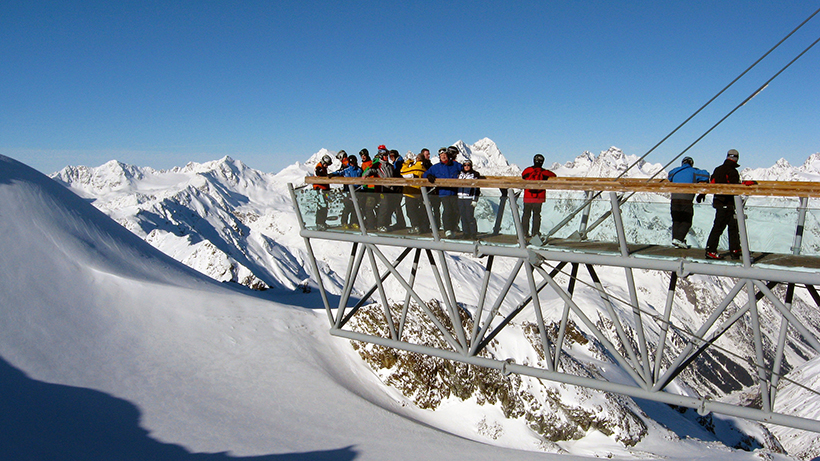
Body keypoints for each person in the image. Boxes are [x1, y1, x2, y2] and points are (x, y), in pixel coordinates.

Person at [700, 149, 756, 259]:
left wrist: (703, 193)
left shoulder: (718, 169)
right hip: (728, 202)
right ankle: (713, 250)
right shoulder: (732, 171)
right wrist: (746, 184)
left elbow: (712, 183)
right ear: (736, 158)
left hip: (719, 201)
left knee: (730, 225)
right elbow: (735, 186)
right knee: (723, 227)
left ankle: (733, 248)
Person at [667, 156, 710, 248]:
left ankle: (677, 241)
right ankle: (678, 239)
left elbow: (669, 176)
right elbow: (706, 175)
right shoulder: (694, 172)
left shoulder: (675, 171)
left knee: (676, 220)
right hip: (686, 199)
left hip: (674, 199)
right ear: (691, 163)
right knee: (687, 221)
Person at [423, 146, 462, 238]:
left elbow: (464, 169)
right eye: (441, 155)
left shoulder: (455, 165)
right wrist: (429, 176)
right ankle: (447, 229)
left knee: (456, 210)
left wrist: (472, 172)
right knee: (448, 210)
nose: (443, 156)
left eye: (444, 155)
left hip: (455, 192)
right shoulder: (436, 167)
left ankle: (454, 227)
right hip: (443, 192)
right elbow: (425, 174)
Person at [521, 154, 556, 238]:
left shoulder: (527, 170)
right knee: (536, 215)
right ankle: (535, 233)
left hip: (528, 197)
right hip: (539, 197)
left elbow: (523, 176)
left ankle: (524, 233)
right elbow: (554, 176)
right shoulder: (545, 173)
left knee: (526, 215)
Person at [366, 147, 396, 232]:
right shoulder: (377, 165)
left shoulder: (389, 166)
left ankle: (385, 224)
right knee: (384, 208)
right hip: (382, 190)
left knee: (389, 208)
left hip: (390, 190)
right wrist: (367, 174)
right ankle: (380, 225)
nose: (387, 157)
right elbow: (368, 172)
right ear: (381, 156)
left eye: (387, 155)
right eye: (385, 155)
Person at [330, 155, 363, 229]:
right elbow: (339, 172)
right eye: (350, 162)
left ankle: (353, 222)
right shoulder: (346, 169)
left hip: (357, 191)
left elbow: (363, 178)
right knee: (347, 208)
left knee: (356, 208)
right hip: (348, 191)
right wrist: (332, 174)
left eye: (353, 162)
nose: (352, 164)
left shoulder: (359, 170)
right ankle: (344, 222)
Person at [401, 153, 428, 233]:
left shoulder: (415, 168)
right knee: (416, 211)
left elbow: (402, 172)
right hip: (419, 192)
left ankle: (415, 227)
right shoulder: (424, 169)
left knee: (411, 212)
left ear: (418, 159)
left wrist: (407, 163)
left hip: (410, 191)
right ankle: (419, 227)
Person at [457, 159, 481, 239]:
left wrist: (475, 199)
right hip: (460, 197)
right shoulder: (459, 174)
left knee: (470, 216)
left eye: (468, 165)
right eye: (465, 165)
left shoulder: (475, 174)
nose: (466, 166)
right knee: (463, 216)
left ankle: (473, 233)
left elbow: (477, 188)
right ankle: (466, 233)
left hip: (469, 198)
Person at [313, 154, 333, 230]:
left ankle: (322, 222)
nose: (326, 166)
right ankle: (319, 223)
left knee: (325, 206)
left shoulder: (323, 168)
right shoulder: (319, 167)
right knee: (321, 206)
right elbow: (318, 173)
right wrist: (325, 176)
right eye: (326, 164)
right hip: (320, 189)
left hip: (325, 190)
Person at [388, 149, 406, 229]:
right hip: (398, 186)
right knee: (396, 205)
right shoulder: (398, 161)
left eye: (392, 156)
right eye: (390, 156)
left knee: (396, 204)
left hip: (398, 186)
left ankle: (400, 223)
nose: (391, 158)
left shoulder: (398, 163)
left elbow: (396, 173)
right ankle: (400, 222)